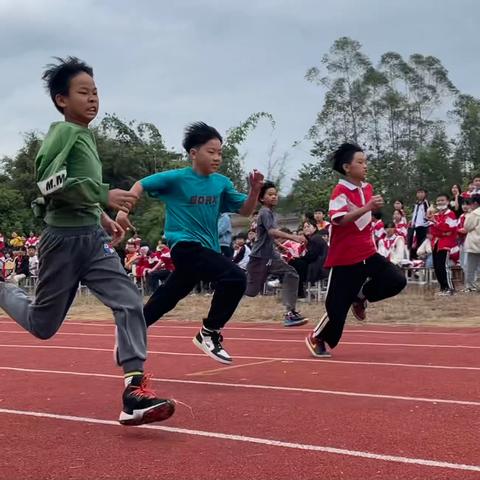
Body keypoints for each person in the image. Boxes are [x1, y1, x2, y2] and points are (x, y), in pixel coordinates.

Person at [0, 56, 174, 425]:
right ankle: (3, 290)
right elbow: (49, 185)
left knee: (129, 301)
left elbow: (78, 194)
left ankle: (134, 391)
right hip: (61, 241)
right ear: (62, 100)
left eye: (96, 92)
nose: (93, 99)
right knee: (43, 326)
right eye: (84, 92)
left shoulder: (87, 137)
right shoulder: (62, 133)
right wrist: (103, 194)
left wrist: (102, 216)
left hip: (92, 240)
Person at [116, 121, 264, 364]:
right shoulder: (176, 179)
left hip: (207, 248)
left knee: (168, 296)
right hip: (184, 246)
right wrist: (124, 211)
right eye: (211, 152)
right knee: (236, 278)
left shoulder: (221, 183)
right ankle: (209, 332)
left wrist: (254, 191)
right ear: (193, 153)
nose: (217, 157)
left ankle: (131, 330)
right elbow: (141, 185)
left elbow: (246, 211)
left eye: (220, 153)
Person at [305, 143, 406, 358]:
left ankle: (361, 296)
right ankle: (317, 337)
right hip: (345, 258)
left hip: (368, 253)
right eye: (360, 162)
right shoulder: (340, 191)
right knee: (337, 309)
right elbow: (338, 219)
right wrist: (368, 207)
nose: (365, 166)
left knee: (396, 280)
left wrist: (371, 207)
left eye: (365, 161)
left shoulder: (366, 188)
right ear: (346, 167)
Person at [245, 181, 308, 327]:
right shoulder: (265, 212)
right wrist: (294, 237)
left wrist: (279, 246)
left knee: (291, 273)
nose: (274, 197)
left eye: (275, 194)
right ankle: (228, 286)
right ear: (262, 198)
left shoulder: (271, 213)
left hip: (270, 256)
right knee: (251, 291)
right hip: (259, 258)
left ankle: (290, 313)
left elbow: (266, 236)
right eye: (270, 194)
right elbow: (272, 232)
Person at [428, 193, 458, 295]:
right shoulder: (435, 215)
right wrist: (442, 230)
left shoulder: (451, 214)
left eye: (442, 200)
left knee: (443, 266)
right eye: (438, 201)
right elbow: (433, 231)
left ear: (447, 202)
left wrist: (438, 225)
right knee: (437, 266)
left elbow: (449, 229)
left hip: (446, 243)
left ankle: (449, 288)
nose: (440, 202)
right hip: (436, 243)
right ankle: (443, 288)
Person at [289, 219, 328, 298]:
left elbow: (312, 256)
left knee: (294, 263)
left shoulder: (315, 238)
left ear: (314, 228)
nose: (306, 228)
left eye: (308, 226)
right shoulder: (313, 239)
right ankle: (298, 291)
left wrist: (301, 257)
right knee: (295, 262)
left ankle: (299, 292)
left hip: (319, 266)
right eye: (304, 227)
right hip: (318, 264)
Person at [463, 195, 480, 292]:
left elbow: (467, 226)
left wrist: (469, 214)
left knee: (471, 267)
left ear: (475, 203)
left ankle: (470, 286)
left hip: (475, 243)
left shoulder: (474, 213)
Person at [408, 188, 430, 259]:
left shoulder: (426, 203)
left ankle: (422, 259)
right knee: (414, 243)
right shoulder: (416, 203)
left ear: (425, 194)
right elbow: (415, 214)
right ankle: (414, 259)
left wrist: (426, 221)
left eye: (422, 192)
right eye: (418, 192)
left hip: (423, 226)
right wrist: (412, 221)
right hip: (415, 226)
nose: (420, 194)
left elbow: (428, 213)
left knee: (421, 243)